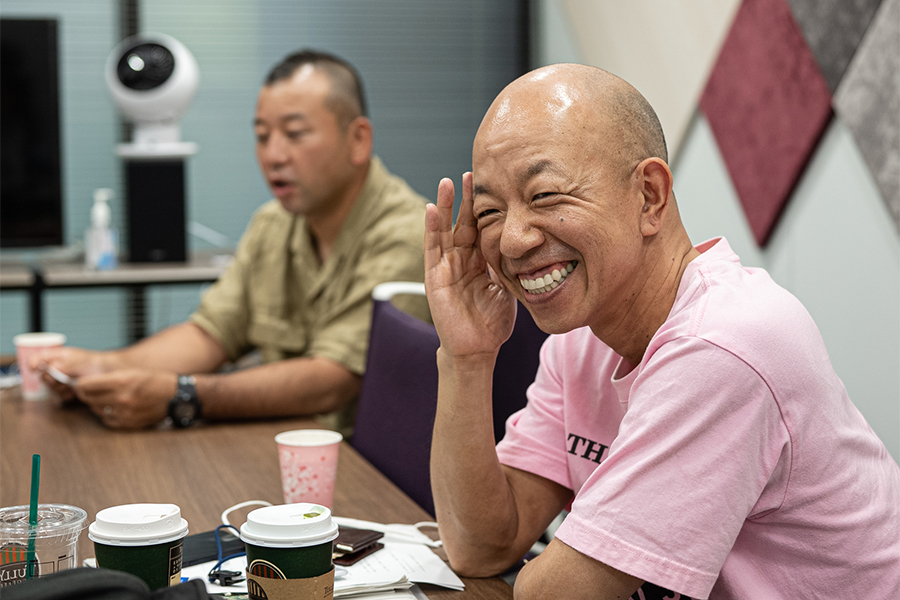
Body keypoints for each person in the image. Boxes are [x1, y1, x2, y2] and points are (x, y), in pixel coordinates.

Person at [424, 64, 900, 599]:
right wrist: (464, 356)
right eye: (488, 211)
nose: (511, 241)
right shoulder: (583, 338)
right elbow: (481, 545)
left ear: (649, 196)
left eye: (545, 196)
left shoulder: (722, 345)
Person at [33, 50, 430, 434]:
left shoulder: (408, 234)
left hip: (369, 473)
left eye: (295, 134)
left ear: (358, 139)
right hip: (274, 448)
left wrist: (182, 395)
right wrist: (104, 367)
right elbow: (212, 333)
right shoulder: (272, 224)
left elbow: (333, 379)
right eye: (262, 136)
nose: (273, 155)